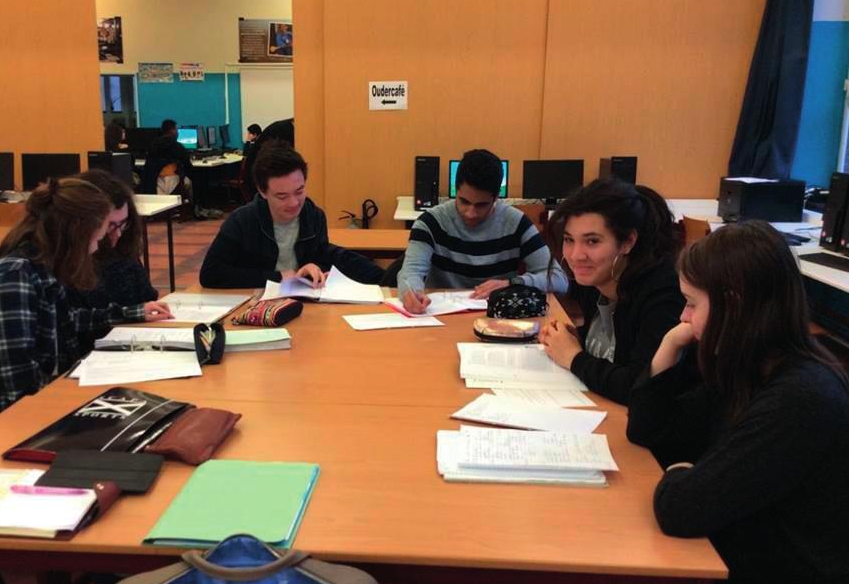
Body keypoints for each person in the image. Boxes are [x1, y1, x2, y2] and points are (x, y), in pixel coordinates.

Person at [627, 221, 849, 584]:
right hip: (748, 575)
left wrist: (684, 476)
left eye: (691, 305)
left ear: (733, 304)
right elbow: (650, 433)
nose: (683, 318)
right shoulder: (750, 365)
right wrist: (668, 349)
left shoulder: (800, 397)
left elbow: (681, 508)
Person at [0, 178, 172, 446]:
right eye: (97, 236)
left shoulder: (41, 269)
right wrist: (85, 399)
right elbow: (19, 388)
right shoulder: (14, 281)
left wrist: (132, 312)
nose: (98, 247)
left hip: (28, 416)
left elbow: (66, 320)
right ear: (75, 233)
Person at [540, 179, 682, 404]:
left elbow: (640, 386)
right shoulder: (595, 280)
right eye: (569, 240)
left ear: (627, 242)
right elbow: (613, 349)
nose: (576, 255)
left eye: (592, 241)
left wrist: (574, 357)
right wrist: (576, 339)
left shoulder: (663, 295)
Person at [397, 148, 567, 313]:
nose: (471, 213)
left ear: (496, 198)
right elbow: (411, 272)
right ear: (456, 191)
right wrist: (410, 293)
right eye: (464, 201)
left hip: (497, 317)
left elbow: (559, 280)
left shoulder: (517, 223)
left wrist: (512, 283)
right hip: (441, 318)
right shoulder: (430, 222)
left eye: (481, 205)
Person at [200, 141, 384, 288]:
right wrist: (278, 277)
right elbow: (210, 274)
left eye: (299, 191)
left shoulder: (314, 216)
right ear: (262, 191)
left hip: (305, 304)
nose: (294, 203)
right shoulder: (242, 221)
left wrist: (317, 268)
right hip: (256, 305)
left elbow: (320, 255)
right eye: (282, 196)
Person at [71, 169, 157, 308]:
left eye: (122, 223)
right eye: (110, 225)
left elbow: (148, 299)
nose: (117, 234)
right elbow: (75, 321)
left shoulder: (124, 251)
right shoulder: (63, 267)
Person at [141, 118, 193, 196]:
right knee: (190, 182)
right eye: (176, 129)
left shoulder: (152, 146)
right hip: (174, 181)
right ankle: (190, 206)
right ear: (172, 130)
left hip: (155, 181)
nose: (177, 132)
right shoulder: (178, 147)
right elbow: (187, 165)